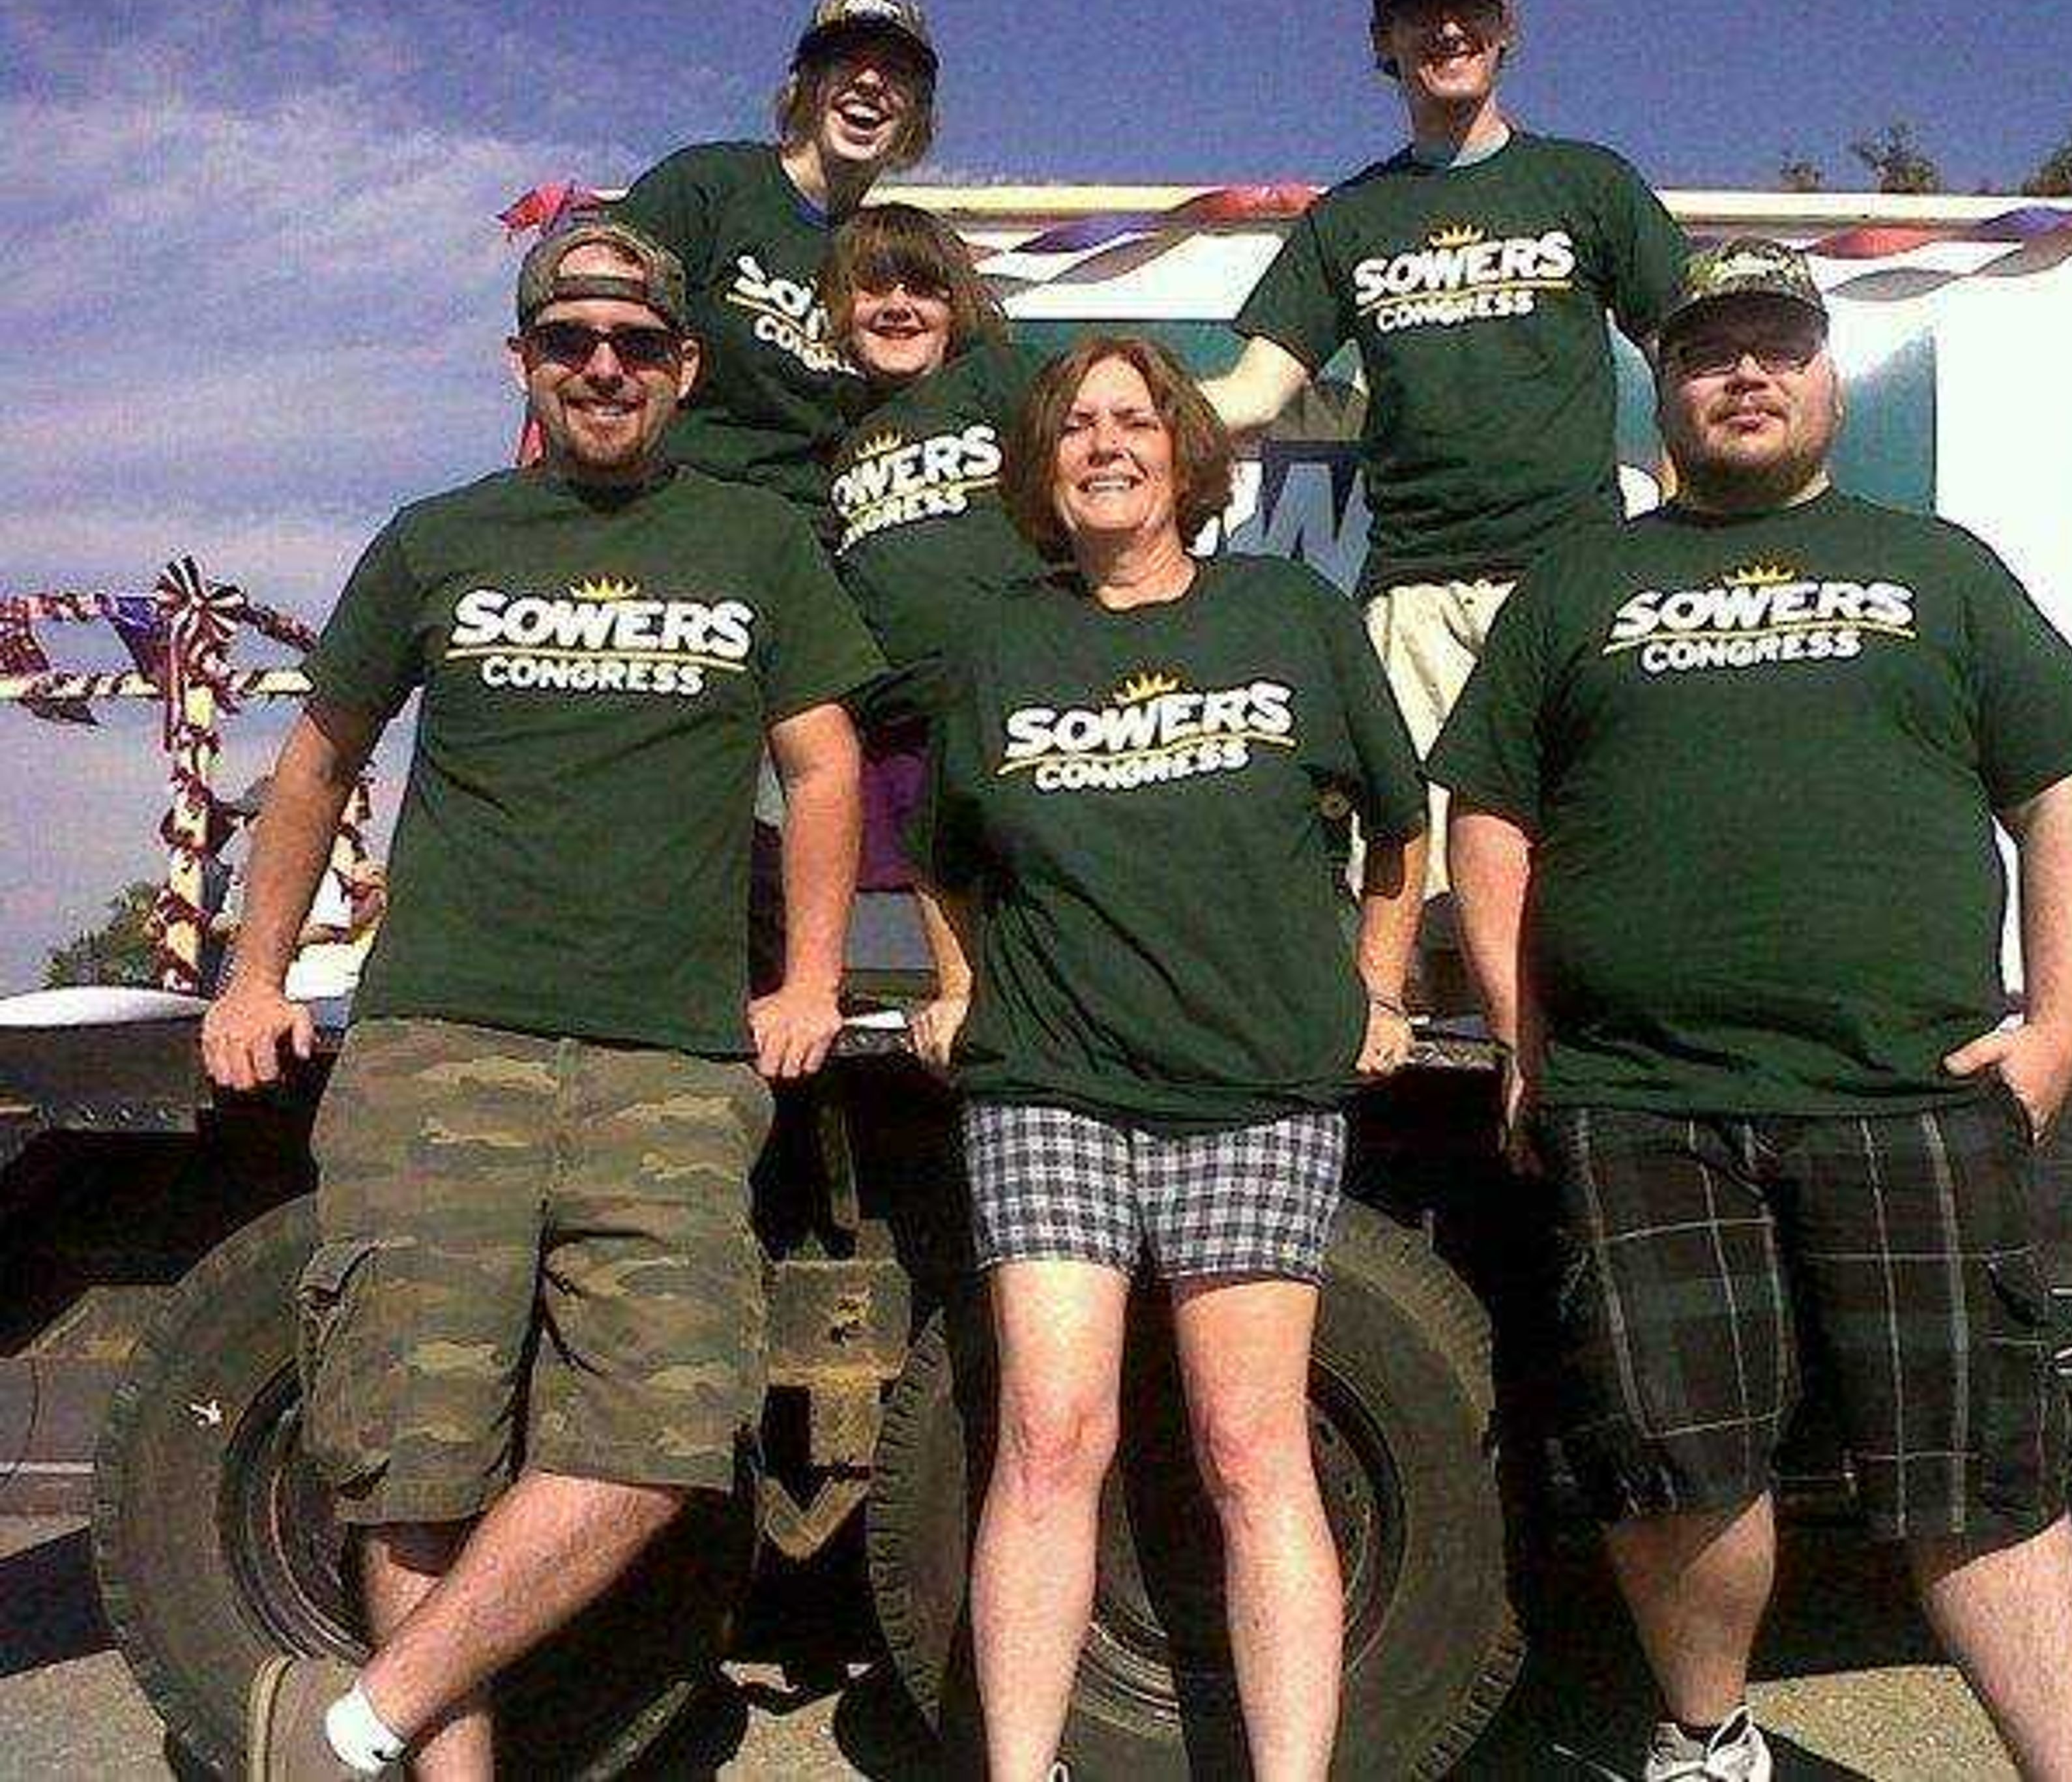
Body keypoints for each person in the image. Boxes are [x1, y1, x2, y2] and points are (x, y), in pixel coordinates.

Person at [1431, 239, 2072, 1782]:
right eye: (1706, 352)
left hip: (1905, 1093)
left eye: (1774, 348)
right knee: (1673, 1460)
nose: (1743, 373)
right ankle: (1706, 1738)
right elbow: (1487, 814)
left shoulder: (1936, 565)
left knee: (1978, 1473)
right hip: (1638, 1101)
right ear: (1663, 391)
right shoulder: (1580, 582)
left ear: (1823, 380)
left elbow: (2062, 800)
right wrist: (1516, 1036)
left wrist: (2056, 1031)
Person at [200, 220, 883, 1781]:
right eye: (569, 339)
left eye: (635, 344)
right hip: (442, 1045)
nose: (601, 366)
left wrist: (814, 978)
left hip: (668, 1063)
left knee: (655, 1445)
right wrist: (252, 972)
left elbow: (825, 757)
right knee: (414, 1462)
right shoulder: (441, 537)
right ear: (525, 362)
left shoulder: (755, 544)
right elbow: (319, 759)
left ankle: (348, 1728)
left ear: (683, 369)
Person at [911, 337, 1427, 1780]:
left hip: (1258, 1092)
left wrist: (1380, 990)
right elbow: (944, 854)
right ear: (1042, 466)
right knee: (1050, 1437)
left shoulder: (1292, 616)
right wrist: (957, 986)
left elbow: (1399, 822)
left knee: (1252, 1449)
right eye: (1074, 426)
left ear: (1186, 455)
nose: (1105, 445)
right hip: (1052, 1090)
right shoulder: (1003, 642)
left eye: (1133, 420)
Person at [1203, 0, 1689, 905]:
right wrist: (1085, 409)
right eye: (1418, 13)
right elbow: (1254, 392)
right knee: (1417, 881)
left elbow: (1688, 360)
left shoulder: (1588, 183)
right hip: (1414, 591)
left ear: (1505, 25)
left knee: (1590, 865)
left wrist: (1687, 542)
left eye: (1467, 6)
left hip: (1573, 575)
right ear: (1384, 43)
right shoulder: (1349, 217)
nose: (1447, 31)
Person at [609, 0, 939, 509]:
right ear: (806, 83)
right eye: (846, 59)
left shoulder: (893, 255)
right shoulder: (706, 187)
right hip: (681, 508)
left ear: (917, 112)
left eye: (897, 71)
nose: (871, 81)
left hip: (820, 536)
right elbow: (596, 333)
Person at [819, 204, 1053, 905]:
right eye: (873, 289)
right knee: (929, 898)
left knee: (1039, 890)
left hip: (1018, 698)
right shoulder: (832, 433)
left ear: (959, 305)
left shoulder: (1000, 377)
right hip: (896, 716)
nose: (897, 306)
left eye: (921, 289)